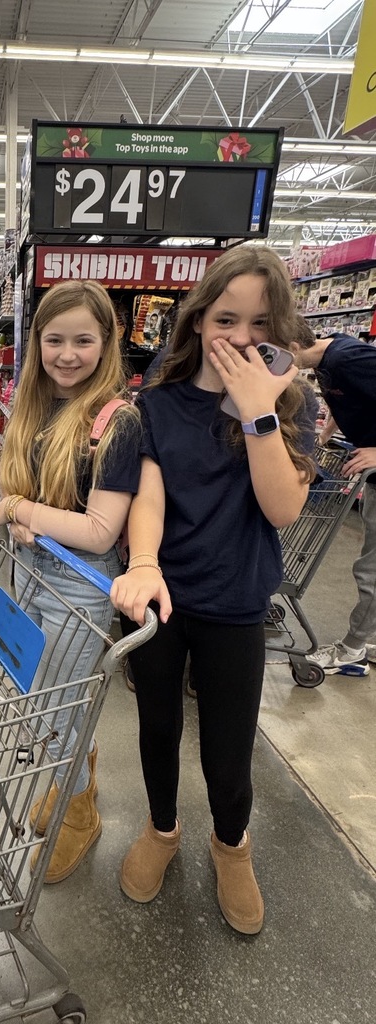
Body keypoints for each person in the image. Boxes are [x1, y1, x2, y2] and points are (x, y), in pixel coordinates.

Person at [110, 246, 317, 935]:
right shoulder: (156, 405)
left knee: (229, 750)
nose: (242, 337)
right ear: (198, 320)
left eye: (261, 323)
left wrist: (260, 411)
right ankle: (163, 828)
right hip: (162, 601)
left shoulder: (292, 404)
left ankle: (233, 846)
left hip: (235, 604)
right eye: (227, 317)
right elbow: (149, 497)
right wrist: (142, 562)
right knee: (158, 728)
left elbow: (282, 507)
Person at [0, 279, 141, 883]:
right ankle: (76, 774)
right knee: (46, 699)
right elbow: (18, 481)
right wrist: (26, 512)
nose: (68, 354)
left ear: (107, 341)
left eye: (83, 339)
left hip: (81, 582)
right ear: (37, 341)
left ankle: (81, 814)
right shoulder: (35, 404)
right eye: (55, 339)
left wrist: (23, 512)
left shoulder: (117, 421)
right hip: (31, 569)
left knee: (50, 709)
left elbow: (101, 531)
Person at [291, 325, 376, 676]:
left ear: (293, 344)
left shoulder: (348, 358)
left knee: (371, 571)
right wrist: (325, 433)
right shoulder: (328, 361)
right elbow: (348, 399)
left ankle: (353, 649)